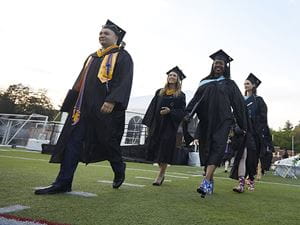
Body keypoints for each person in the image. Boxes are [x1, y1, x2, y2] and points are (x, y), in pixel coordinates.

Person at [35, 20, 134, 195]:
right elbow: (80, 81)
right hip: (81, 109)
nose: (102, 35)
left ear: (116, 38)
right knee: (72, 143)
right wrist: (70, 103)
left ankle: (119, 168)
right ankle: (63, 182)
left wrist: (112, 100)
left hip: (105, 110)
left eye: (107, 33)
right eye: (101, 33)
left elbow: (124, 81)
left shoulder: (122, 56)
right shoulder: (93, 57)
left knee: (108, 143)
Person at [185, 49, 247, 198]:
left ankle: (205, 182)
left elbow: (239, 104)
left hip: (223, 120)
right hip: (205, 120)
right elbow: (195, 100)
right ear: (212, 65)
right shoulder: (204, 82)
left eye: (221, 63)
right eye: (216, 63)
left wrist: (242, 124)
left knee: (217, 148)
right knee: (206, 150)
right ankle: (210, 181)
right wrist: (188, 113)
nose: (218, 65)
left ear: (226, 66)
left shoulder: (229, 84)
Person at [142, 66, 186, 186]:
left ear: (178, 79)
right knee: (156, 149)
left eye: (174, 76)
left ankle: (161, 174)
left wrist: (170, 111)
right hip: (157, 124)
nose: (171, 77)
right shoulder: (160, 92)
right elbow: (152, 107)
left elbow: (182, 111)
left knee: (164, 149)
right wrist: (149, 123)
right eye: (170, 75)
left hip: (169, 126)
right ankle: (162, 170)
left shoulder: (180, 95)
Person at [231, 73, 273, 192]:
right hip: (242, 133)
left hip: (254, 134)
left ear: (254, 85)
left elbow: (263, 118)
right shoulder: (241, 99)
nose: (245, 85)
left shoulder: (259, 100)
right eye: (244, 83)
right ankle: (241, 183)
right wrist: (236, 126)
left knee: (251, 159)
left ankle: (251, 179)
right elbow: (235, 114)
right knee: (242, 156)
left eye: (248, 83)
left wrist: (255, 127)